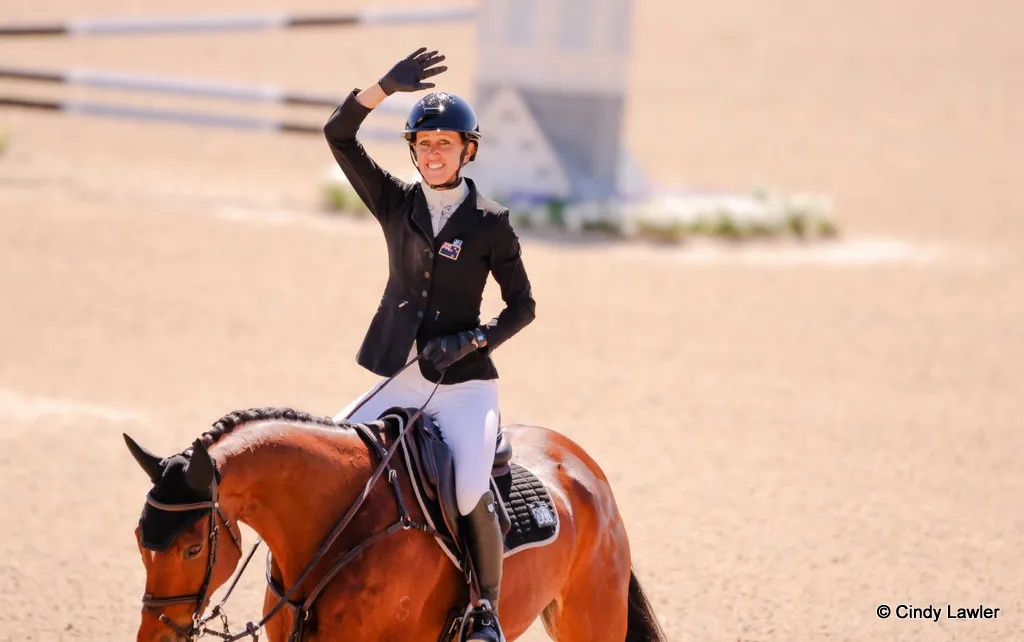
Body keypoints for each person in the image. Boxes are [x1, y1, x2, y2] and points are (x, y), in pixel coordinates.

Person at [324, 48, 536, 642]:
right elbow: (338, 134)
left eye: (446, 142)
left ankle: (485, 610)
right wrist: (382, 89)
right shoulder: (396, 202)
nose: (434, 152)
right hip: (404, 376)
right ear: (413, 151)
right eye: (424, 143)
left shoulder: (491, 222)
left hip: (466, 387)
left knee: (468, 487)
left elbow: (523, 306)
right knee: (334, 454)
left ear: (468, 150)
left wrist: (473, 339)